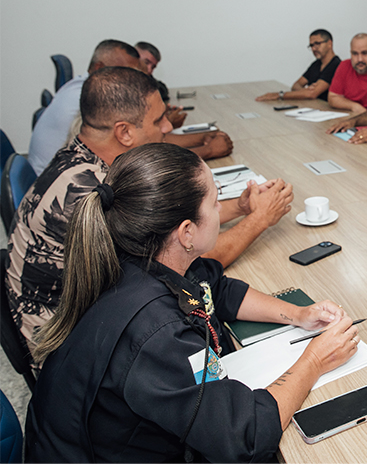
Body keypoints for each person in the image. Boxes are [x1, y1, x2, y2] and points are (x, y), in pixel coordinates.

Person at [25, 143, 359, 462]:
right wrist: (314, 361)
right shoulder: (156, 332)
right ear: (186, 232)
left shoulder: (139, 252)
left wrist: (299, 314)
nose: (221, 209)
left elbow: (217, 290)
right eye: (215, 202)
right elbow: (245, 436)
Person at [5, 67, 292, 363]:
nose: (168, 127)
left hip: (84, 317)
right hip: (72, 356)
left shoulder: (85, 162)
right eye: (158, 120)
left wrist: (240, 207)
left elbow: (173, 227)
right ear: (124, 132)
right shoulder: (90, 196)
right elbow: (180, 260)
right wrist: (259, 220)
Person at [28, 40, 143, 175]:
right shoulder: (89, 97)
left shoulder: (77, 85)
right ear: (99, 67)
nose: (131, 80)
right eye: (123, 73)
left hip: (53, 171)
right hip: (53, 178)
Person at [256, 29, 341, 102]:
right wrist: (305, 92)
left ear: (329, 44)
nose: (313, 48)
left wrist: (280, 95)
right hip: (314, 107)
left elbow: (312, 94)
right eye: (311, 45)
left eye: (317, 43)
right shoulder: (316, 64)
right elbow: (296, 85)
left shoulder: (336, 65)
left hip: (328, 112)